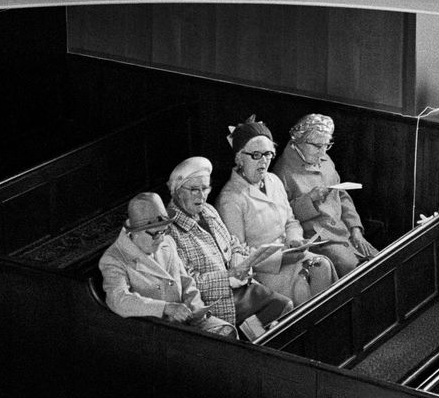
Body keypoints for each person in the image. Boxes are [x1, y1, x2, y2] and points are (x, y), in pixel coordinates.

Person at [166, 155, 293, 338]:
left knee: (284, 307)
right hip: (217, 299)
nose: (201, 196)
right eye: (194, 190)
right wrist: (229, 277)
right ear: (177, 191)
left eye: (205, 188)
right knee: (274, 316)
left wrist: (241, 263)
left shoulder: (208, 211)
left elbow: (233, 243)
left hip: (241, 287)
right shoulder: (171, 231)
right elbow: (189, 282)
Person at [215, 117, 337, 306]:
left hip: (290, 252)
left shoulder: (273, 180)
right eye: (256, 155)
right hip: (264, 270)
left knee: (323, 266)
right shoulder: (230, 199)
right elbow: (238, 256)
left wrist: (295, 239)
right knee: (302, 287)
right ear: (239, 157)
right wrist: (282, 257)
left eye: (268, 154)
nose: (264, 161)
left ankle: (326, 327)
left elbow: (291, 221)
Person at [98, 191, 237, 337]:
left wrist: (197, 311)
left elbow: (187, 282)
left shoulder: (167, 242)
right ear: (136, 232)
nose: (161, 238)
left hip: (186, 324)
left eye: (164, 231)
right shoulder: (114, 259)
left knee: (228, 334)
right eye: (155, 233)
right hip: (154, 333)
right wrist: (166, 308)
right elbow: (119, 300)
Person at [273, 113, 379, 278]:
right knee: (356, 272)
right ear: (299, 140)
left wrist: (355, 229)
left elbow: (342, 196)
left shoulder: (324, 159)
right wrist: (310, 200)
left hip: (344, 233)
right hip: (319, 241)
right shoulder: (283, 172)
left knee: (378, 262)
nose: (323, 152)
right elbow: (283, 218)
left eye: (327, 145)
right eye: (317, 146)